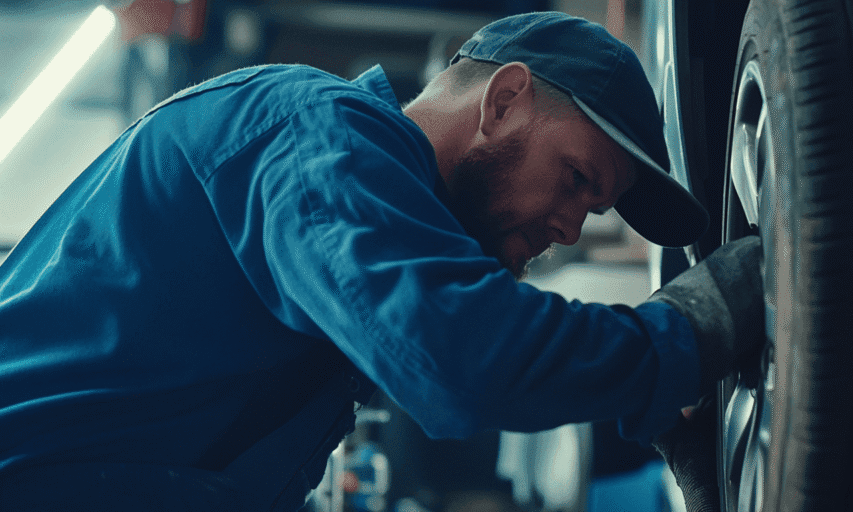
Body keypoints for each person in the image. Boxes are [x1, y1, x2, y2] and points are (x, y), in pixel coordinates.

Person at [0, 11, 763, 511]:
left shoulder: (348, 226)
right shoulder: (320, 137)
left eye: (590, 210)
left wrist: (656, 398)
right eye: (575, 181)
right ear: (503, 102)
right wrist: (686, 336)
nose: (568, 228)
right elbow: (459, 355)